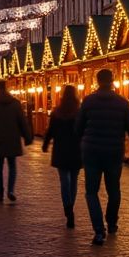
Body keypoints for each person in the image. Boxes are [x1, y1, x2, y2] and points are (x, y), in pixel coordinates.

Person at [76, 68, 129, 246]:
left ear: (97, 81)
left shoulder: (88, 101)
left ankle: (99, 231)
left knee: (91, 192)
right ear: (112, 80)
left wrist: (79, 144)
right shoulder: (122, 102)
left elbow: (79, 127)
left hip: (92, 152)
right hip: (114, 150)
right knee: (114, 190)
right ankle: (111, 222)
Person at [0, 79, 32, 202]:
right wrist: (27, 136)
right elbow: (22, 121)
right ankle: (11, 190)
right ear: (6, 87)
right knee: (12, 166)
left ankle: (0, 193)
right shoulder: (15, 103)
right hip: (13, 139)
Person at [42, 84, 82, 229]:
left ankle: (68, 208)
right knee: (74, 181)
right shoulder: (79, 112)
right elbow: (84, 130)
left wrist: (45, 144)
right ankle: (71, 206)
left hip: (61, 150)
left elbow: (50, 130)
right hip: (76, 150)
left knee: (64, 180)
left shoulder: (57, 112)